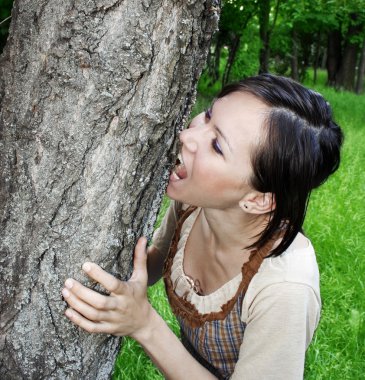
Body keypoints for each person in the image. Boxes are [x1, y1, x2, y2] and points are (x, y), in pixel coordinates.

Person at [62, 74, 343, 379]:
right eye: (208, 114)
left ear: (259, 199)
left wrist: (144, 324)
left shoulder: (284, 288)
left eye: (218, 146)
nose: (187, 136)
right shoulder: (195, 204)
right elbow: (159, 259)